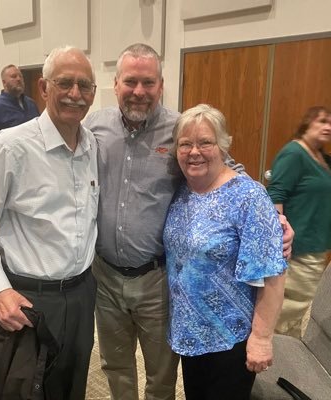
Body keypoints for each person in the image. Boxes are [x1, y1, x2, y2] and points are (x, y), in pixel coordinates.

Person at [84, 43, 293, 400]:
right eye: (130, 81)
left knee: (162, 371)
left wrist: (271, 215)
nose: (139, 91)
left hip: (156, 279)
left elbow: (219, 165)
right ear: (116, 84)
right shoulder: (94, 127)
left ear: (161, 85)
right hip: (105, 276)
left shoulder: (176, 128)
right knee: (114, 364)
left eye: (148, 82)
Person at [0, 46, 98, 400]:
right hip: (28, 299)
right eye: (65, 83)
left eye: (85, 86)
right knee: (23, 392)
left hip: (81, 296)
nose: (75, 94)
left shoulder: (91, 145)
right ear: (44, 88)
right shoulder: (11, 146)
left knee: (71, 386)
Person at [163, 104, 287, 400]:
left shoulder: (249, 196)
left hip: (230, 339)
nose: (195, 151)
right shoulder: (184, 189)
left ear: (222, 146)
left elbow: (273, 273)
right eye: (186, 144)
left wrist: (261, 338)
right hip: (190, 334)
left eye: (205, 142)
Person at [267, 106, 331, 339]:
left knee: (292, 321)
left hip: (315, 250)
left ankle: (283, 367)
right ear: (307, 124)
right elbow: (275, 195)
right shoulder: (295, 153)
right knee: (280, 315)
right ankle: (250, 362)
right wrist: (278, 243)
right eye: (322, 121)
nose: (328, 127)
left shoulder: (323, 159)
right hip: (296, 253)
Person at [0, 64, 40, 159]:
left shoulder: (31, 104)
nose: (19, 79)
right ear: (4, 82)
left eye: (20, 76)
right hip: (8, 163)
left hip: (32, 161)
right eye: (13, 77)